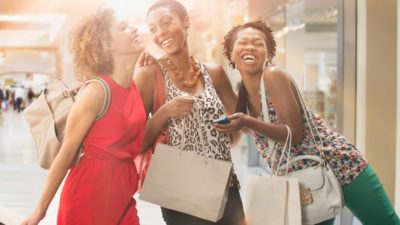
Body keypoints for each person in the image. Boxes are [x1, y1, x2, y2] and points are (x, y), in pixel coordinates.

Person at [214, 20, 400, 225]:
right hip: (302, 181)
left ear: (269, 53)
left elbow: (294, 133)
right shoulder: (243, 94)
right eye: (242, 42)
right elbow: (250, 129)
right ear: (231, 53)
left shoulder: (273, 76)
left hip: (340, 166)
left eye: (258, 43)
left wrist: (247, 121)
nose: (250, 47)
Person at [21, 8, 150, 225]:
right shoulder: (96, 91)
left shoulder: (135, 88)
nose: (134, 28)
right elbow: (66, 153)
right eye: (123, 27)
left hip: (123, 194)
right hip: (88, 196)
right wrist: (39, 212)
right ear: (106, 44)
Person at [134, 1, 246, 224]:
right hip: (180, 192)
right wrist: (164, 112)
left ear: (186, 21)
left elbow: (238, 129)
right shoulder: (148, 76)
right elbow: (134, 142)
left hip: (224, 185)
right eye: (153, 29)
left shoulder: (214, 73)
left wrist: (226, 126)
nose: (161, 33)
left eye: (167, 22)